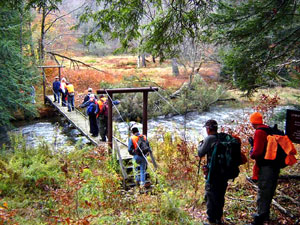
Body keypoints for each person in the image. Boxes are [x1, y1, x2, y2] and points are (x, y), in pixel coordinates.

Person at [247, 112, 281, 225]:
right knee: (269, 190)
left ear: (253, 122)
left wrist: (251, 153)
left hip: (266, 167)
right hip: (275, 165)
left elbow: (257, 152)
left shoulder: (259, 132)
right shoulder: (268, 129)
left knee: (263, 191)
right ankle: (265, 215)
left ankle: (261, 218)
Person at [198, 119, 228, 225]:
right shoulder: (223, 137)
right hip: (224, 173)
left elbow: (200, 153)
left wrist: (200, 144)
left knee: (211, 195)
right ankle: (218, 219)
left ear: (208, 129)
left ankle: (212, 221)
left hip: (213, 173)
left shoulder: (209, 138)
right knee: (220, 195)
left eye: (206, 128)